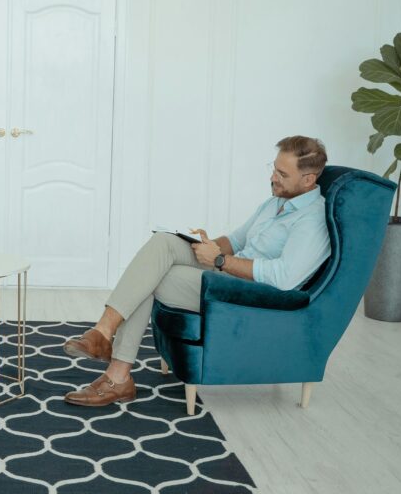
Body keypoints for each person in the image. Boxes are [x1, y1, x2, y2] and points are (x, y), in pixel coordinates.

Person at [62, 135, 331, 407]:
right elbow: (236, 241)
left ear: (308, 179)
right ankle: (103, 333)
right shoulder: (276, 202)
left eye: (282, 174)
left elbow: (284, 278)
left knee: (153, 276)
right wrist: (210, 246)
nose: (273, 177)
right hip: (228, 272)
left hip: (250, 292)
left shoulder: (312, 220)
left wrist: (220, 262)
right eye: (273, 168)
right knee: (163, 243)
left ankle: (117, 376)